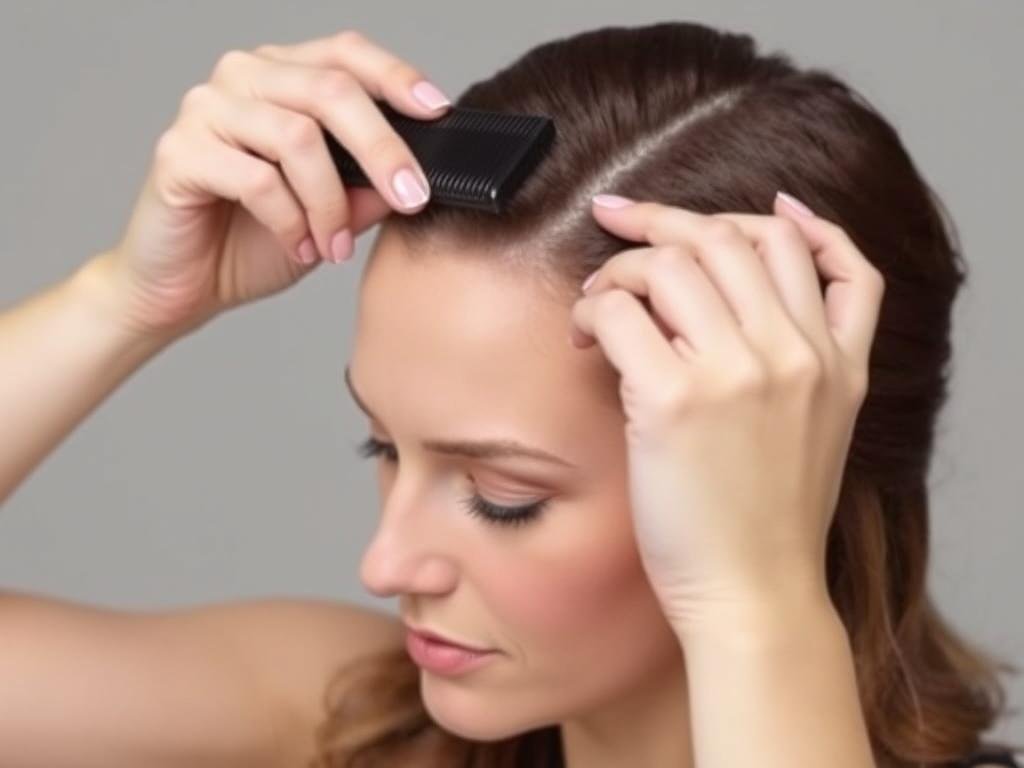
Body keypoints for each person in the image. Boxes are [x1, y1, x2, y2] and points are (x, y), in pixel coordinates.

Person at [0, 20, 1019, 768]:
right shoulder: (355, 726)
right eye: (382, 448)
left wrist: (753, 606)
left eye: (503, 497)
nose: (384, 564)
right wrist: (121, 301)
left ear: (790, 470)